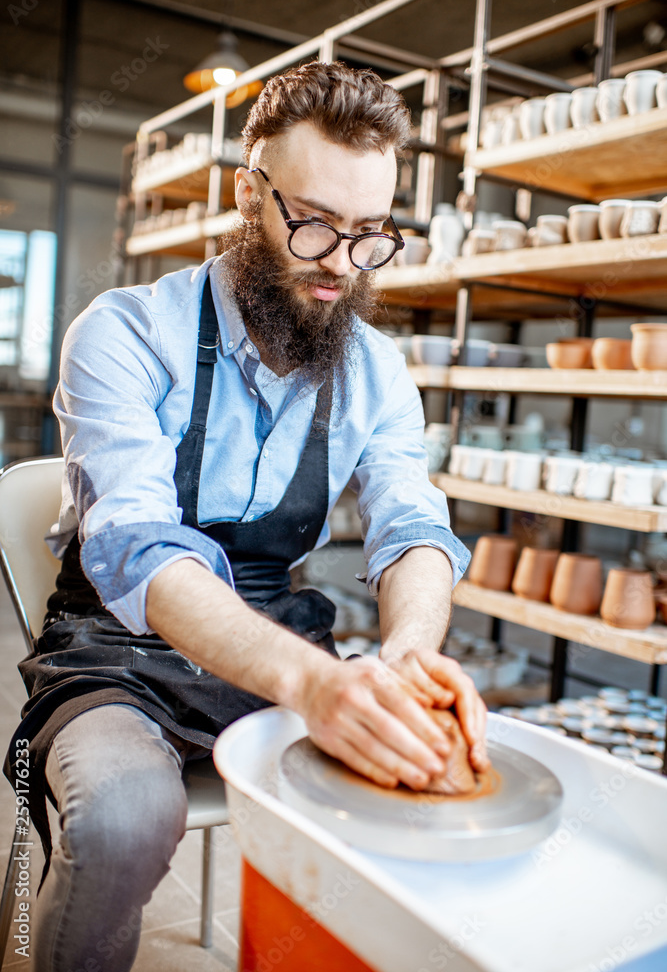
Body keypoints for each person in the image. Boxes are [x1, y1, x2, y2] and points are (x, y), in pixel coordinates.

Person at [6, 60, 488, 972]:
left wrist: (408, 657)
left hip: (271, 633)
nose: (340, 266)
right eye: (311, 226)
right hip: (118, 643)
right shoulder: (124, 333)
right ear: (248, 194)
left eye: (369, 235)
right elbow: (141, 552)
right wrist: (313, 687)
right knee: (122, 817)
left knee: (403, 789)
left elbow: (412, 526)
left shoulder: (376, 370)